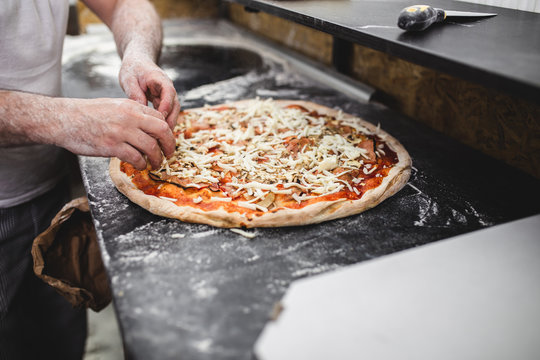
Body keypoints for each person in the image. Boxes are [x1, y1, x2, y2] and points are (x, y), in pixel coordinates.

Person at [0, 0, 180, 358]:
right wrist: (66, 120)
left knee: (58, 346)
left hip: (49, 196)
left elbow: (124, 4)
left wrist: (138, 54)